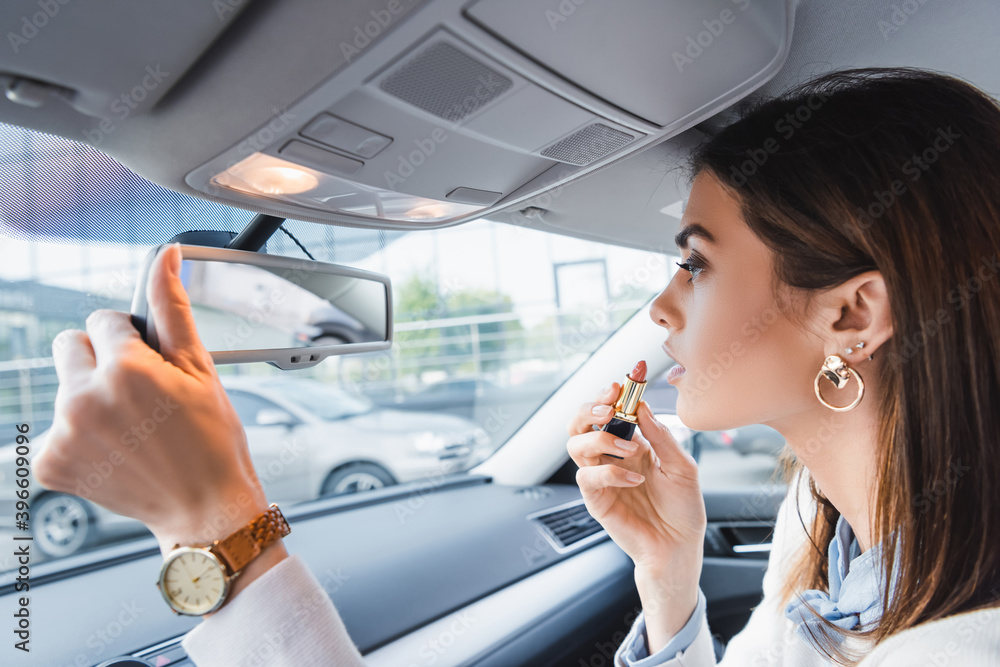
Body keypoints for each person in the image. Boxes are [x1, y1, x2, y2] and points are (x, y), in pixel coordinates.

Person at [33, 66, 1000, 666]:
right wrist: (667, 578)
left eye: (697, 262)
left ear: (852, 313)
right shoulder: (828, 538)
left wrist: (215, 525)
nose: (661, 308)